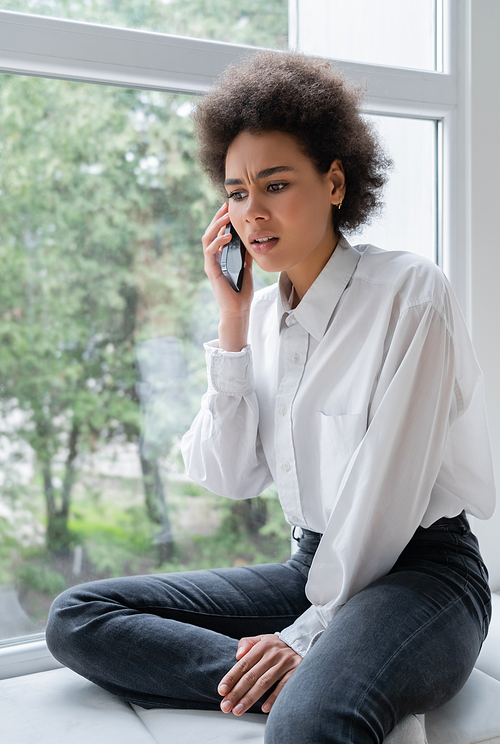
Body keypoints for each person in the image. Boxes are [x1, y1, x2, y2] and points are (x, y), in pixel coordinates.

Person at [46, 52, 496, 743]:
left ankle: (310, 686)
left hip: (424, 576)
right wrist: (231, 323)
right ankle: (290, 680)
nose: (251, 213)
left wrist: (307, 633)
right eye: (234, 193)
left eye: (275, 185)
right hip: (313, 564)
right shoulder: (258, 317)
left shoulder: (411, 293)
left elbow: (386, 497)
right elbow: (228, 476)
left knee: (310, 727)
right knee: (79, 618)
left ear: (336, 181)